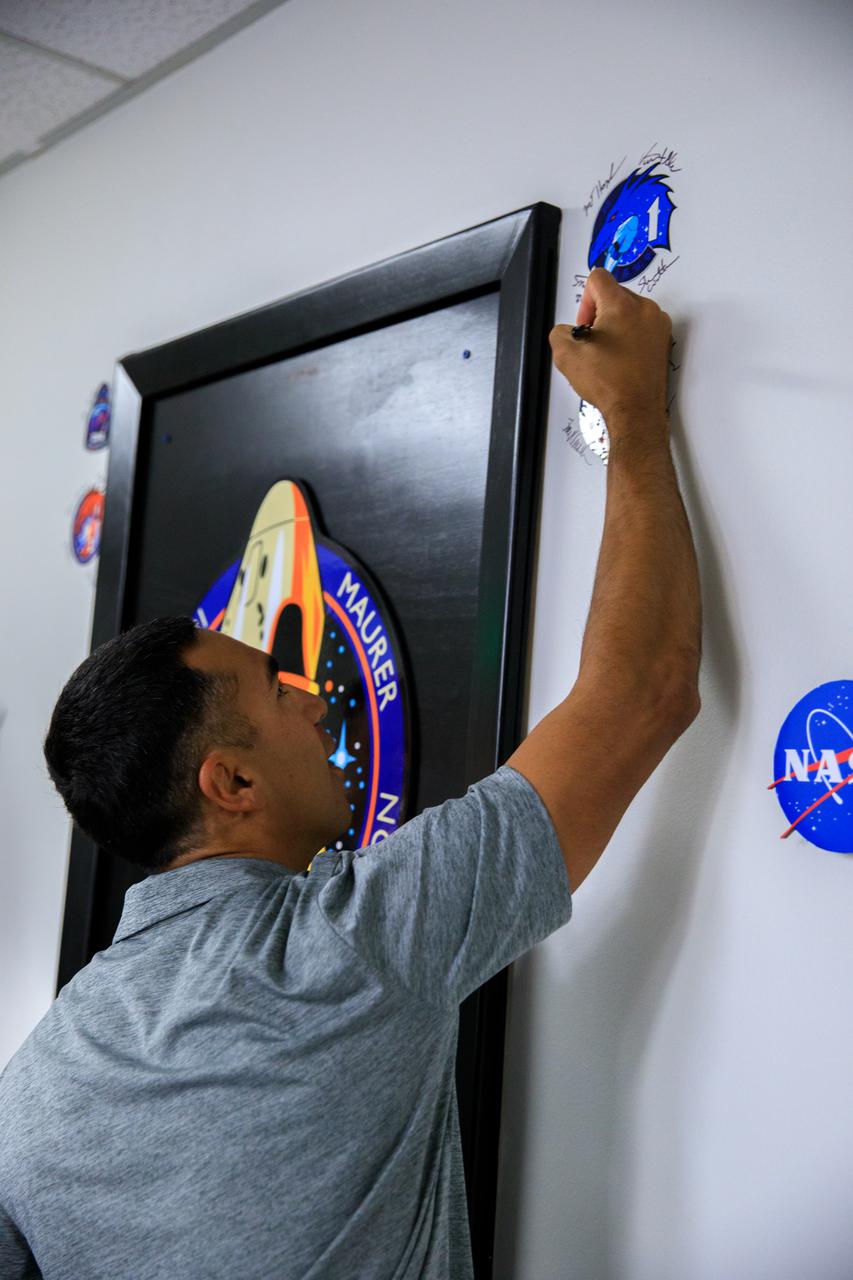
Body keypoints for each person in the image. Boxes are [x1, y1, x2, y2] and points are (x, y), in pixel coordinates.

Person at [0, 267, 701, 1279]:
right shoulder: (346, 949)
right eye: (282, 692)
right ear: (230, 783)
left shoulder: (33, 1085)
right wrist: (633, 416)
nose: (322, 698)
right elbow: (640, 693)